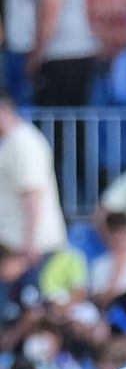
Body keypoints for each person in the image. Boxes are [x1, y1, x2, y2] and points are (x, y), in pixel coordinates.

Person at [0, 100, 65, 260]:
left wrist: (31, 241)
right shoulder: (10, 141)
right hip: (13, 246)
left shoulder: (24, 142)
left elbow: (33, 193)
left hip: (30, 250)